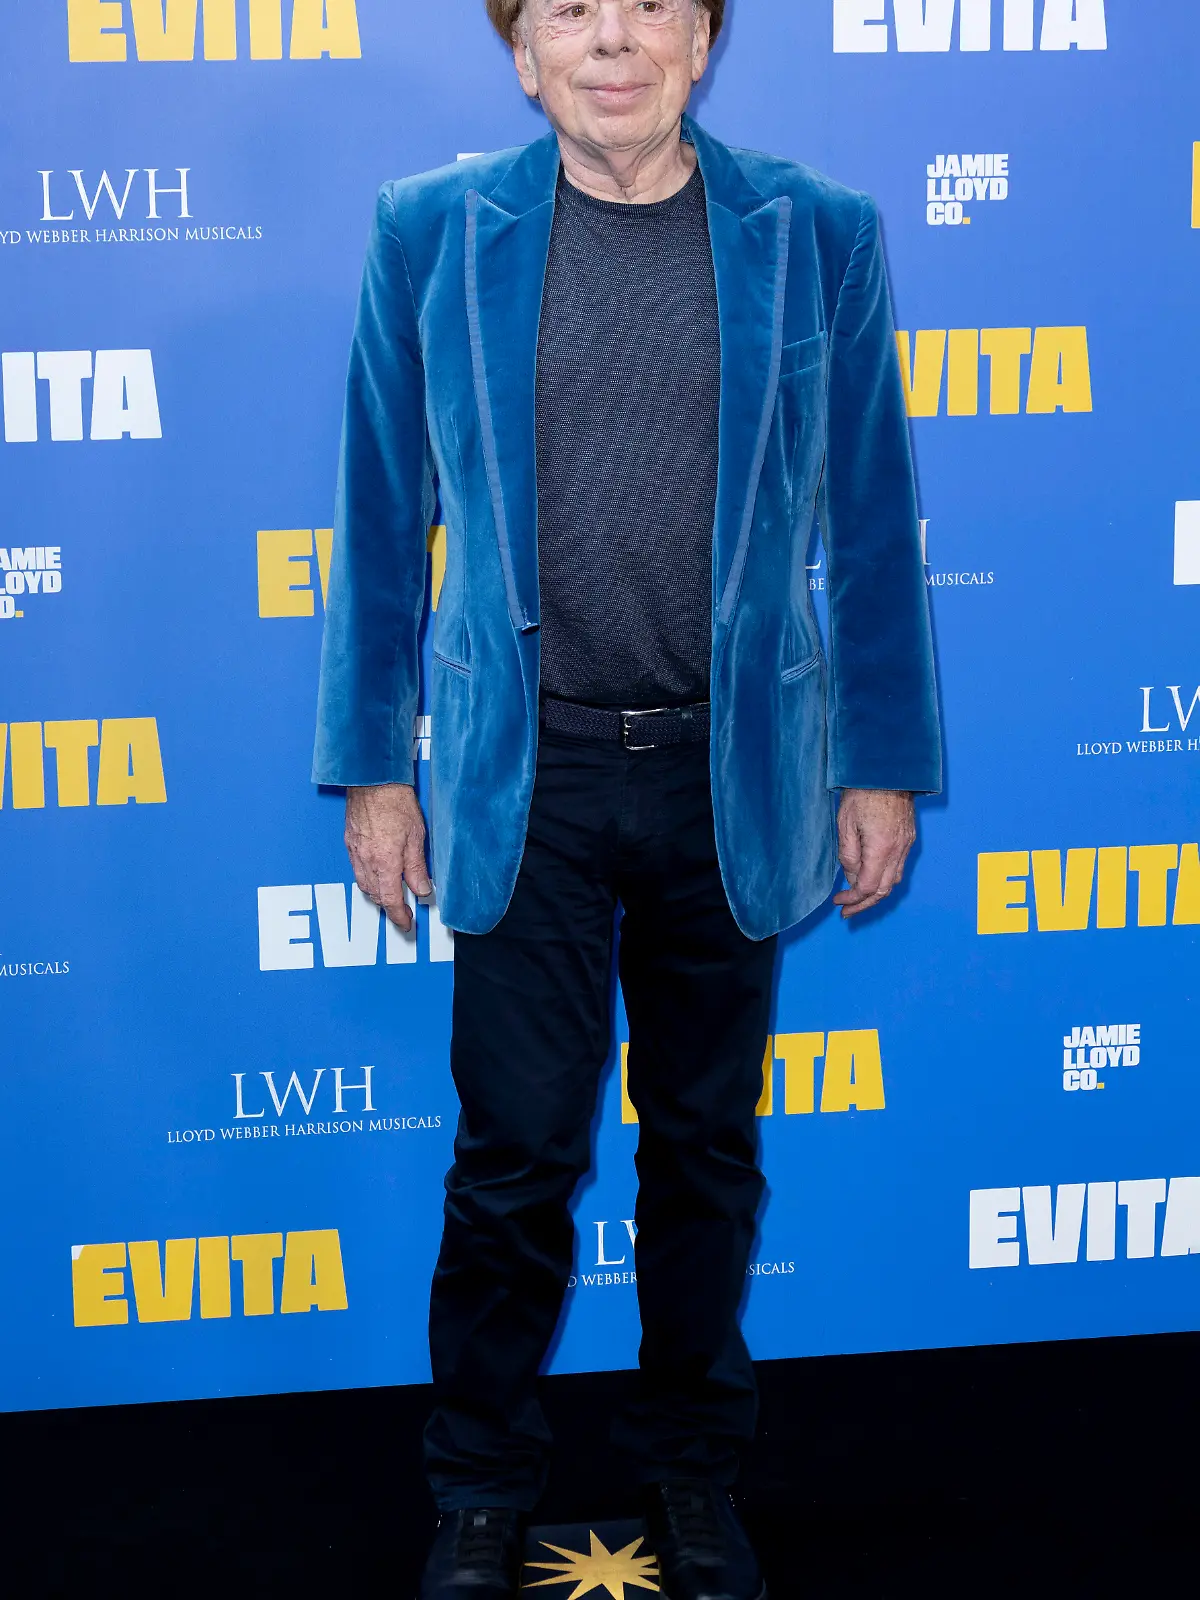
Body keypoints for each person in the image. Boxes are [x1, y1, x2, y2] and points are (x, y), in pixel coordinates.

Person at [313, 1, 941, 1594]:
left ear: (703, 44)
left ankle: (696, 1477)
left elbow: (869, 512)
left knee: (708, 1153)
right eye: (571, 12)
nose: (613, 38)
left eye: (649, 5)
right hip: (530, 775)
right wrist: (375, 766)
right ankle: (475, 1487)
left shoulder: (819, 234)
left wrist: (880, 759)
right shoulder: (433, 234)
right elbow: (383, 515)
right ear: (524, 59)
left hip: (734, 769)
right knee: (514, 1157)